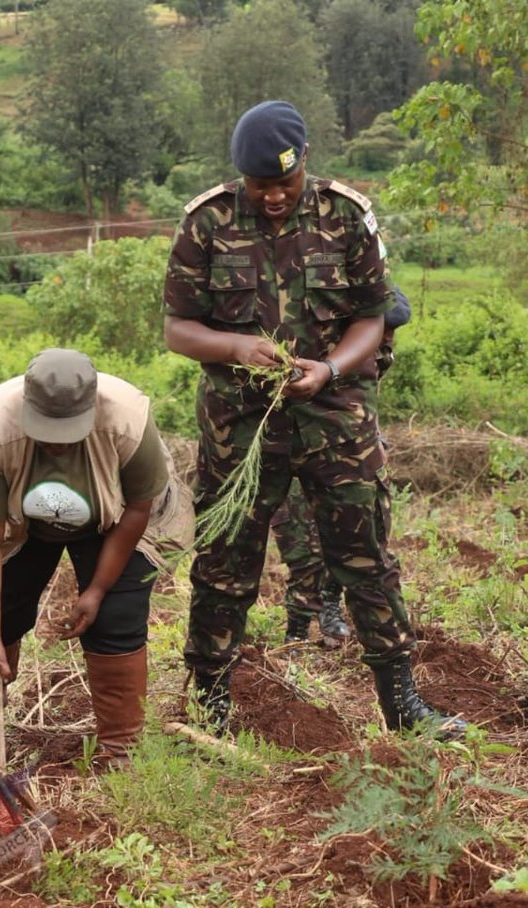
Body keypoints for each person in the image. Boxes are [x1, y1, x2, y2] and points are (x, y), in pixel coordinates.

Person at [162, 100, 465, 738]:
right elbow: (178, 328)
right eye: (260, 186)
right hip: (240, 424)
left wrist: (328, 370)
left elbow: (373, 314)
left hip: (337, 417)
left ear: (305, 165)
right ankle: (210, 703)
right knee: (224, 560)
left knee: (365, 557)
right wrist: (236, 346)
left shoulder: (346, 217)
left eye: (285, 184)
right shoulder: (206, 223)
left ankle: (401, 702)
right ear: (241, 177)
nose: (273, 197)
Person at [0, 348, 192, 767]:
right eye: (46, 431)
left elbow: (137, 509)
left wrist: (96, 590)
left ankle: (120, 748)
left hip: (114, 517)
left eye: (68, 432)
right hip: (19, 519)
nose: (57, 444)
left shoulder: (127, 421)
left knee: (117, 616)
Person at [274, 286, 412, 646]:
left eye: (389, 335)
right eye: (384, 334)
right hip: (297, 449)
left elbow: (362, 405)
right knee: (302, 546)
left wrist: (372, 444)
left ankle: (330, 606)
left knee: (360, 538)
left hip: (349, 452)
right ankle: (298, 631)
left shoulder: (376, 353)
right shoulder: (315, 348)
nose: (386, 343)